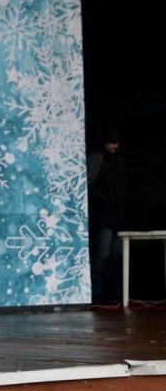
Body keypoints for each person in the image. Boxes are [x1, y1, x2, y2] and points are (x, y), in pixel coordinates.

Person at [87, 126, 126, 306]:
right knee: (101, 256)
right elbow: (89, 184)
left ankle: (113, 292)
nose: (115, 146)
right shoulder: (98, 158)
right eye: (112, 142)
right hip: (103, 215)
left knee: (115, 256)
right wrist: (104, 200)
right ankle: (97, 293)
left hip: (115, 216)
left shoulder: (117, 161)